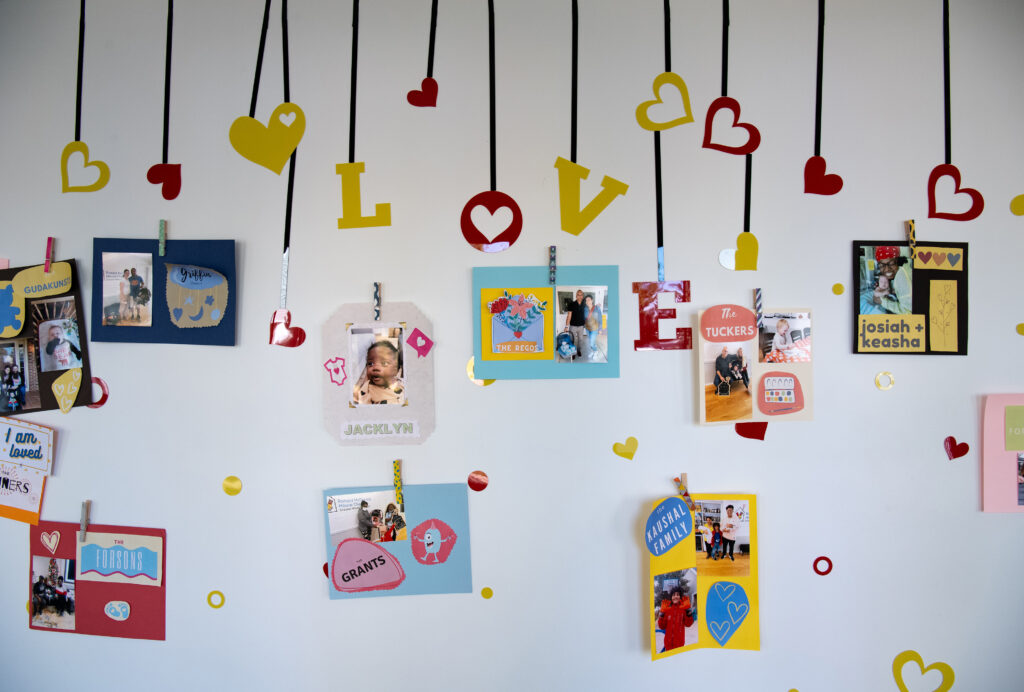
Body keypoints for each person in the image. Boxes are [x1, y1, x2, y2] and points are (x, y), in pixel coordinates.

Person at [860, 246, 912, 315]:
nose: (887, 269)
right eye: (882, 265)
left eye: (891, 263)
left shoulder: (901, 276)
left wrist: (883, 302)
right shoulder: (902, 270)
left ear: (898, 261)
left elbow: (908, 312)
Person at [353, 341, 405, 405]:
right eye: (371, 363)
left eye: (384, 363)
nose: (375, 368)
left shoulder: (403, 385)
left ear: (396, 369)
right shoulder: (367, 391)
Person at [563, 289, 590, 360]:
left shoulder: (585, 304)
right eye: (578, 294)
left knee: (580, 340)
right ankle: (573, 352)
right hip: (573, 326)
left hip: (581, 326)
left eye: (581, 295)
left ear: (582, 296)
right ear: (576, 296)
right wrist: (566, 326)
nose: (580, 296)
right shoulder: (571, 304)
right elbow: (569, 316)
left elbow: (589, 312)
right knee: (572, 340)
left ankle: (578, 350)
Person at [583, 294, 602, 360]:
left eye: (588, 300)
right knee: (591, 341)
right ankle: (593, 351)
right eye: (586, 300)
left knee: (591, 343)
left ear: (592, 300)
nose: (587, 301)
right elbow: (584, 318)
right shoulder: (585, 308)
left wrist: (600, 329)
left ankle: (596, 352)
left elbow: (600, 319)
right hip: (588, 328)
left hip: (595, 328)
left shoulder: (597, 308)